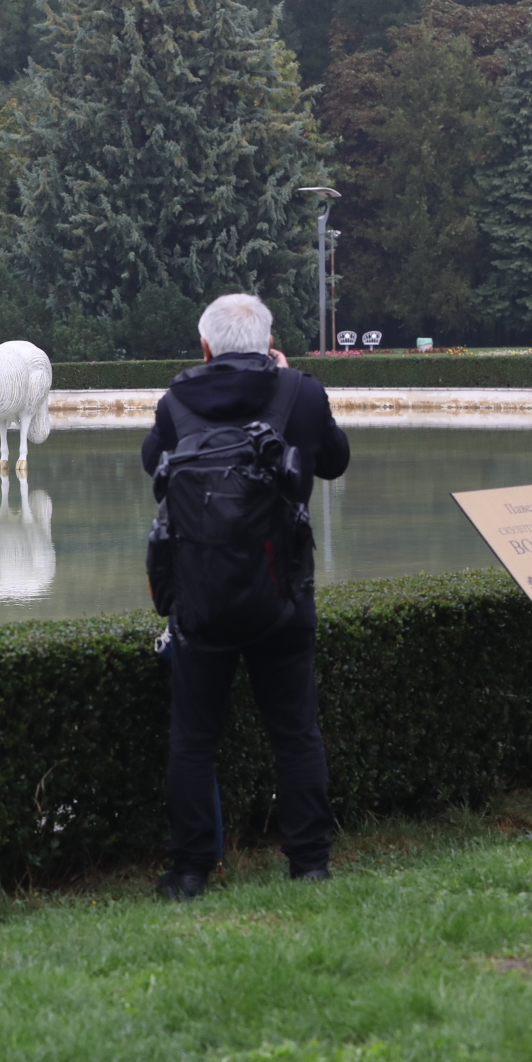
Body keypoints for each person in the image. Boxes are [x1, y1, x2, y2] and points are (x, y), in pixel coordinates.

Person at [140, 293, 350, 899]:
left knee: (193, 738)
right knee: (295, 730)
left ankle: (189, 872)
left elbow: (153, 465)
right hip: (282, 592)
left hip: (200, 599)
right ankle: (309, 863)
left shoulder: (176, 400)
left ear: (204, 347)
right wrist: (288, 387)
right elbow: (335, 462)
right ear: (267, 343)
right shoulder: (300, 393)